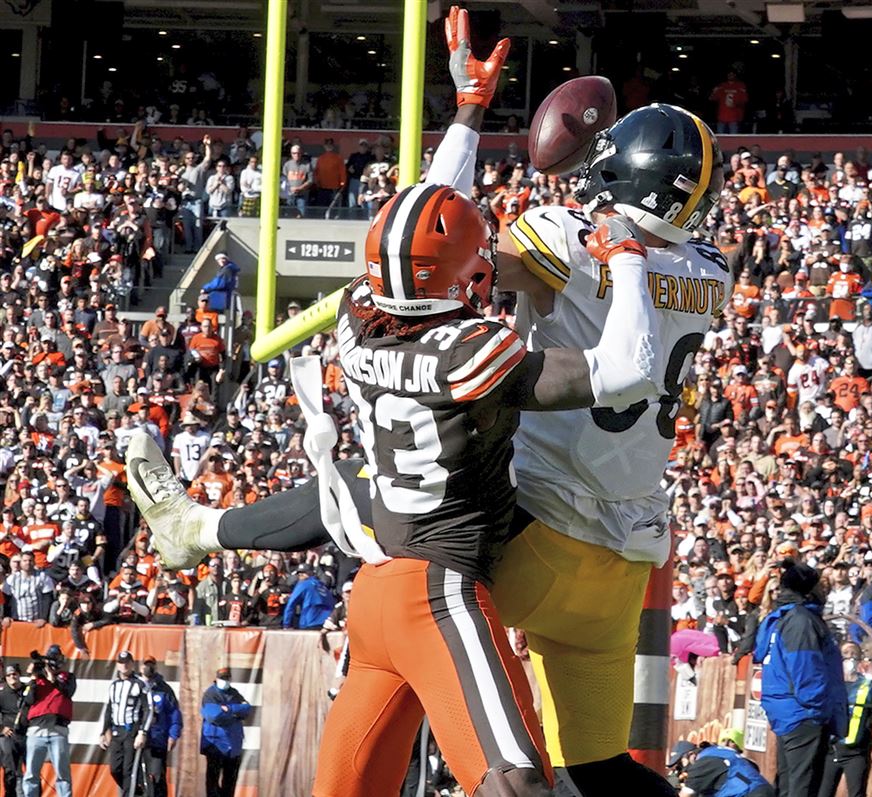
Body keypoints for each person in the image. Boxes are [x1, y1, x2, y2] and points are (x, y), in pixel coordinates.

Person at [128, 8, 725, 797]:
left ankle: (200, 528)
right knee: (599, 771)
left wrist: (471, 116)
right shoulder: (707, 269)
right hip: (625, 561)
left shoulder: (556, 240)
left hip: (532, 532)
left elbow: (435, 240)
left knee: (396, 519)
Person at [752, 559, 846, 797]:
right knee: (804, 788)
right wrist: (819, 712)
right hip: (804, 713)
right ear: (809, 589)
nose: (824, 589)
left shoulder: (780, 617)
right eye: (820, 584)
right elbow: (806, 670)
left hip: (787, 712)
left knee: (789, 785)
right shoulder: (801, 621)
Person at [819, 646, 872, 797]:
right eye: (846, 654)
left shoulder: (867, 685)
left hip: (856, 754)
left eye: (854, 654)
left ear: (861, 658)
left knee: (857, 793)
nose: (850, 658)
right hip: (830, 751)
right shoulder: (830, 684)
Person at [21, 645, 74, 797]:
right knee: (31, 773)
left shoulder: (67, 677)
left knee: (63, 773)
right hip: (37, 731)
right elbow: (29, 699)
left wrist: (52, 677)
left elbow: (68, 691)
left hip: (58, 730)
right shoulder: (38, 680)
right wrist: (33, 677)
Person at [99, 651, 150, 796]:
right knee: (115, 768)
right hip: (117, 731)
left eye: (127, 662)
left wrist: (142, 732)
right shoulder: (114, 685)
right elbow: (109, 709)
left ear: (132, 664)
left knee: (129, 769)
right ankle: (136, 791)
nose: (124, 666)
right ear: (117, 665)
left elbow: (148, 709)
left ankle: (130, 793)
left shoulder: (140, 684)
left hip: (131, 730)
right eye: (121, 663)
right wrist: (103, 731)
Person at [200, 667, 250, 797]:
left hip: (233, 745)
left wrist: (228, 709)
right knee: (213, 782)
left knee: (230, 782)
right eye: (222, 678)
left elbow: (247, 709)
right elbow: (213, 716)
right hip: (215, 744)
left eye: (227, 678)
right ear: (216, 679)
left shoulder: (234, 693)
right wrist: (235, 715)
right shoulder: (210, 694)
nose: (225, 681)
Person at [679, 731, 774, 797]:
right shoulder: (725, 754)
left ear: (692, 755)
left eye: (684, 762)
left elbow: (687, 794)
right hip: (765, 790)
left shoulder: (702, 763)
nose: (689, 768)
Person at [140, 656, 181, 797]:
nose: (148, 668)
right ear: (140, 667)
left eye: (151, 665)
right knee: (137, 776)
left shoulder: (164, 689)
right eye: (146, 665)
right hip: (136, 740)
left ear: (156, 667)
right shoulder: (135, 686)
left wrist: (173, 735)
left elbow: (174, 713)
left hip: (158, 739)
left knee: (157, 776)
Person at [281, 563, 335, 630]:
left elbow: (291, 604)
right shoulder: (323, 587)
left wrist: (286, 625)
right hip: (326, 625)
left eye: (304, 572)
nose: (300, 575)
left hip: (309, 623)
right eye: (299, 573)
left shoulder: (303, 584)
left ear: (311, 573)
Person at [0, 664, 24, 797]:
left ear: (19, 675)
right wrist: (1, 728)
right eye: (8, 675)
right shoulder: (2, 694)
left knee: (31, 770)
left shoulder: (28, 691)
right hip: (8, 736)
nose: (12, 677)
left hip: (26, 735)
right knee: (10, 768)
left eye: (14, 674)